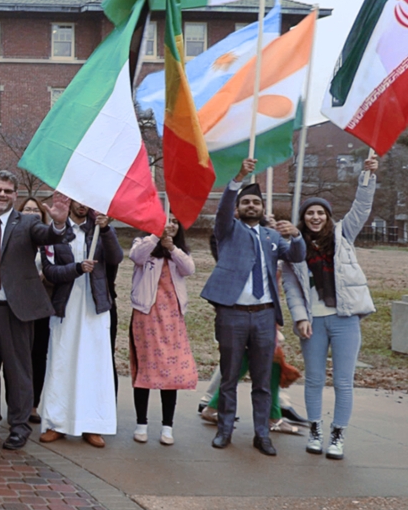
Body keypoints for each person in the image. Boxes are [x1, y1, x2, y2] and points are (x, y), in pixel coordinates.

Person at [201, 157, 305, 456]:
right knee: (230, 376)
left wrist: (296, 236)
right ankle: (224, 431)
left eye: (255, 203)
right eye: (245, 202)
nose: (251, 206)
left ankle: (262, 435)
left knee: (262, 380)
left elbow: (296, 256)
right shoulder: (228, 231)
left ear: (262, 209)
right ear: (238, 208)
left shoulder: (272, 237)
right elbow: (222, 212)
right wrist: (238, 178)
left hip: (264, 316)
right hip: (232, 314)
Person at [0, 171, 70, 450]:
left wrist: (58, 223)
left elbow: (51, 236)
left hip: (15, 312)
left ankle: (19, 426)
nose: (1, 195)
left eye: (8, 191)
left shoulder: (28, 223)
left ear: (15, 196)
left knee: (17, 372)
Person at [282, 156, 379, 460]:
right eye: (310, 213)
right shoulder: (293, 249)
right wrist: (299, 319)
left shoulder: (343, 236)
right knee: (314, 379)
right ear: (303, 217)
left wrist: (367, 177)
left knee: (342, 382)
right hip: (314, 322)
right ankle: (315, 431)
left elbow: (361, 208)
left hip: (345, 319)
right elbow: (292, 289)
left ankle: (337, 435)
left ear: (327, 216)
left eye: (320, 212)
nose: (315, 217)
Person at [39, 200, 122, 448]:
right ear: (70, 201)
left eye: (88, 201)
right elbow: (50, 271)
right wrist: (76, 268)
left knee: (94, 365)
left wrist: (106, 230)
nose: (83, 205)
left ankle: (92, 424)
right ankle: (57, 422)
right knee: (62, 362)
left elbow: (116, 257)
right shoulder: (56, 232)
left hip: (94, 306)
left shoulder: (99, 227)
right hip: (65, 306)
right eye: (79, 200)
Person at [127, 216, 198, 446]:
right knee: (145, 370)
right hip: (146, 315)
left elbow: (189, 269)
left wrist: (172, 248)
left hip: (172, 318)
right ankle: (141, 423)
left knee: (171, 370)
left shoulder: (179, 251)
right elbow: (135, 256)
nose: (171, 225)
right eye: (166, 220)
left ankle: (167, 426)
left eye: (176, 222)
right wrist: (157, 236)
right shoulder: (143, 244)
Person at [19, 197, 54, 424]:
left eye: (36, 210)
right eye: (27, 209)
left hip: (41, 305)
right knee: (17, 358)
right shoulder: (14, 239)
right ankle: (16, 404)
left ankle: (32, 405)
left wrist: (46, 276)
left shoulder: (50, 243)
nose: (31, 213)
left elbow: (60, 268)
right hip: (18, 306)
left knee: (37, 356)